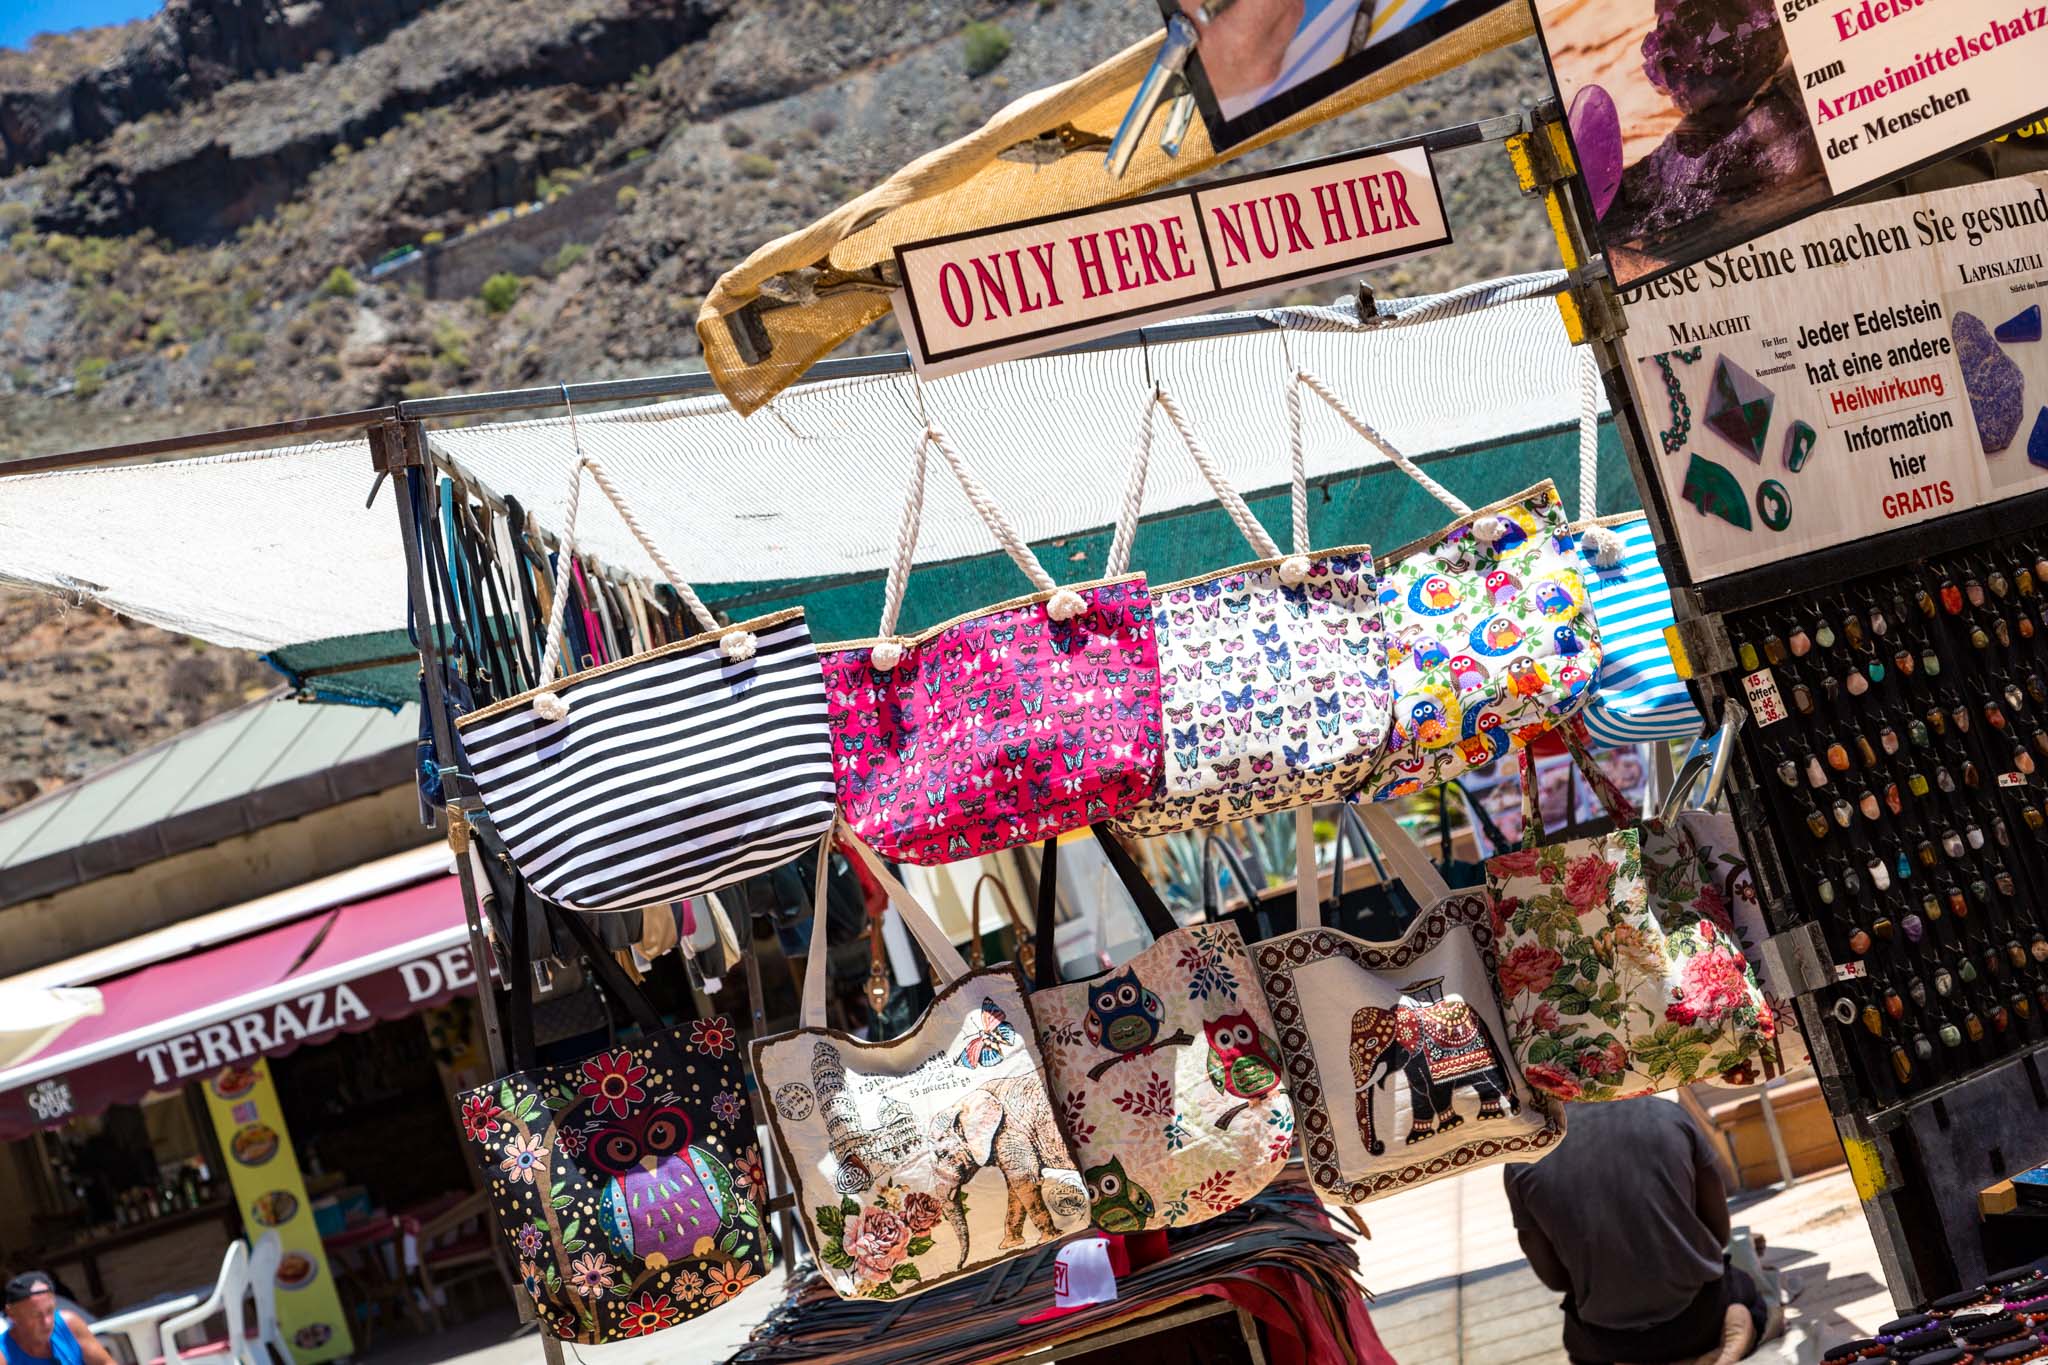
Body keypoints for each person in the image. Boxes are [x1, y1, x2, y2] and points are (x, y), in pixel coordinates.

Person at [1503, 1098, 1768, 1365]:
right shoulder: (1668, 1114)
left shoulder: (1521, 1158)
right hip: (1701, 1320)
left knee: (1578, 1338)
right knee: (1742, 1285)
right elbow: (1719, 1235)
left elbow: (1555, 1280)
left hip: (1611, 1342)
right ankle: (1734, 1333)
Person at [2, 1274, 114, 1365]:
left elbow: (105, 1362)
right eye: (35, 1315)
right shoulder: (3, 1354)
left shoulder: (68, 1324)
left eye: (50, 1311)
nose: (47, 1322)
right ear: (12, 1314)